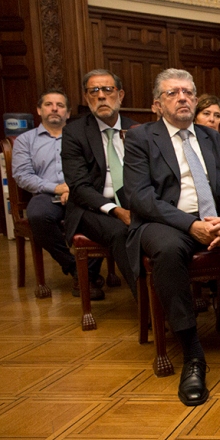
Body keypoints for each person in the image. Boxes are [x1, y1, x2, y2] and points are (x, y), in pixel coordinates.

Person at [123, 69, 220, 406]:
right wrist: (191, 226)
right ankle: (192, 351)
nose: (183, 98)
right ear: (158, 103)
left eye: (188, 92)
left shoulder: (213, 137)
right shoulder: (141, 138)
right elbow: (140, 197)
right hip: (167, 222)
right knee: (169, 250)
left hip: (216, 220)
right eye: (173, 93)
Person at [12, 89, 103, 297]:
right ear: (39, 110)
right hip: (45, 195)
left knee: (103, 215)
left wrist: (73, 188)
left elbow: (96, 169)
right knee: (37, 216)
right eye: (49, 104)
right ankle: (76, 269)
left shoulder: (83, 137)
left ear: (68, 113)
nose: (54, 109)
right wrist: (56, 188)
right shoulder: (25, 141)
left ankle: (86, 276)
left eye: (60, 105)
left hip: (80, 193)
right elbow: (22, 175)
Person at [62, 69, 139, 299]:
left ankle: (173, 294)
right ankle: (148, 304)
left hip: (133, 202)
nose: (101, 96)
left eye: (108, 89)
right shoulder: (74, 133)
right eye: (94, 91)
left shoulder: (137, 130)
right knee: (120, 232)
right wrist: (116, 211)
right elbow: (78, 187)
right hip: (91, 207)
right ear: (87, 98)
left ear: (121, 95)